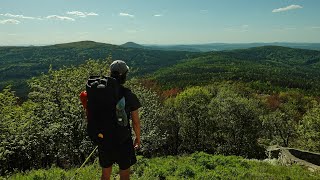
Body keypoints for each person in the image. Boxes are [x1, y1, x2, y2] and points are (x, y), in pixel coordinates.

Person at [80, 60, 141, 180]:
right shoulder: (128, 95)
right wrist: (138, 138)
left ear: (110, 73)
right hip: (123, 141)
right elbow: (135, 122)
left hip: (104, 139)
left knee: (105, 175)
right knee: (124, 176)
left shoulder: (99, 92)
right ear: (124, 75)